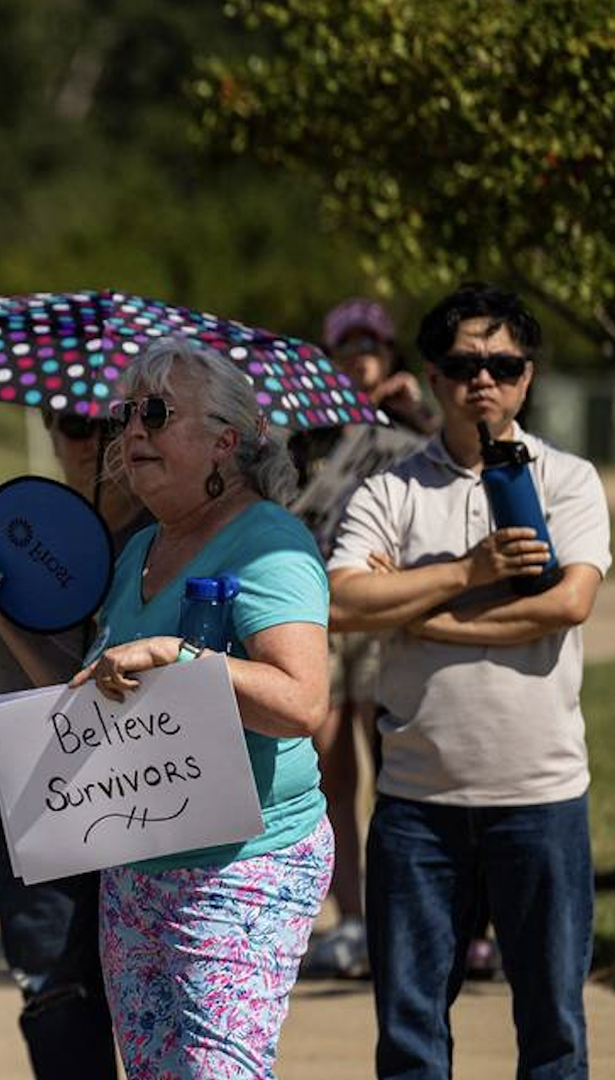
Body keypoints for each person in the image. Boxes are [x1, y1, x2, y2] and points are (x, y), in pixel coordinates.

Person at [0, 336, 334, 1078]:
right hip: (138, 872)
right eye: (125, 413)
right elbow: (93, 696)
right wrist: (2, 614)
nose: (132, 431)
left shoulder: (270, 545)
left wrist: (179, 656)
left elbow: (302, 702)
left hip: (243, 866)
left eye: (157, 413)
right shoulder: (141, 552)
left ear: (225, 441)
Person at [327, 283, 606, 1079]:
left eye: (504, 365)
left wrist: (419, 611)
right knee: (411, 1033)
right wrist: (471, 570)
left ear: (528, 377)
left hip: (541, 796)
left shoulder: (567, 481)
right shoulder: (391, 490)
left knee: (553, 1029)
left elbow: (567, 604)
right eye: (462, 364)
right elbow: (343, 600)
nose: (483, 380)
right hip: (419, 806)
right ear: (434, 374)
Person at [0, 407, 145, 1079]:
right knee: (52, 993)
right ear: (49, 432)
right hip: (21, 806)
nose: (92, 440)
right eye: (70, 422)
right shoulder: (13, 529)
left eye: (111, 422)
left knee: (146, 995)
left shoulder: (160, 542)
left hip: (138, 808)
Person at [289, 297, 434, 979]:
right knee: (332, 768)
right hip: (319, 609)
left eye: (370, 346)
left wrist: (418, 414)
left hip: (384, 612)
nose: (360, 358)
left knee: (397, 763)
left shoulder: (413, 427)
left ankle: (409, 914)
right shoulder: (310, 430)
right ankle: (352, 919)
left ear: (390, 353)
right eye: (347, 347)